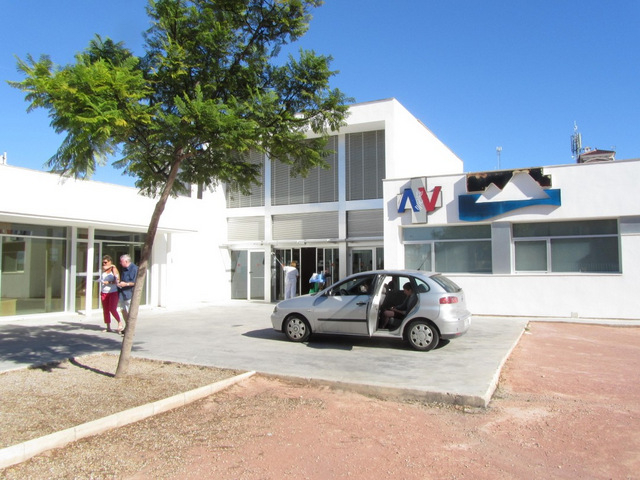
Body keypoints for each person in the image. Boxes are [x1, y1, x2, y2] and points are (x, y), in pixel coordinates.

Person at [99, 255, 123, 333]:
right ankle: (108, 326)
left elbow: (117, 280)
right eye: (103, 263)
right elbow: (104, 270)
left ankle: (119, 322)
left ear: (110, 262)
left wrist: (109, 282)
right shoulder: (104, 270)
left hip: (113, 292)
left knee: (112, 309)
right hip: (104, 292)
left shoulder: (114, 269)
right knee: (105, 310)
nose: (104, 264)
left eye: (106, 262)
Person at [117, 254, 138, 333]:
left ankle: (130, 329)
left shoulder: (134, 269)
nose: (120, 263)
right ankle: (127, 326)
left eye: (121, 261)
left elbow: (136, 282)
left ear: (126, 261)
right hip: (122, 293)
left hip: (129, 293)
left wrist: (126, 284)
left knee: (129, 311)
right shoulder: (124, 269)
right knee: (123, 310)